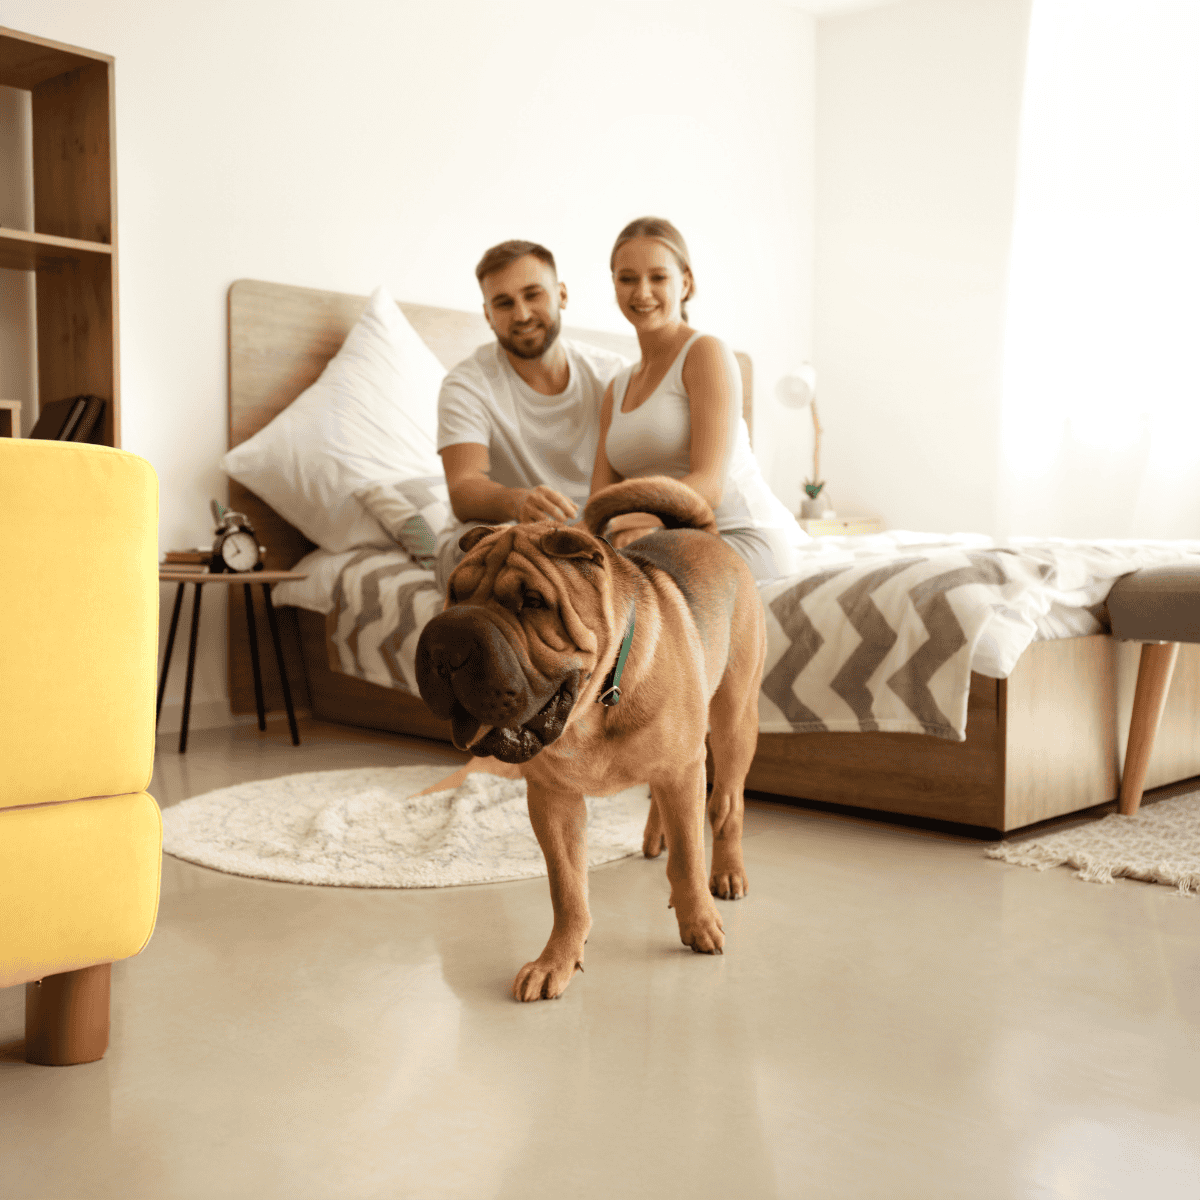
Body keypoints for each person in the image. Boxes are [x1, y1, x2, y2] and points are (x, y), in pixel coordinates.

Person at [591, 216, 804, 582]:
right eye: (627, 278)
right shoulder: (617, 387)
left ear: (685, 283)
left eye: (658, 277)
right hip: (662, 540)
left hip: (739, 537)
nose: (642, 292)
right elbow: (599, 503)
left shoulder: (705, 352)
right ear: (614, 284)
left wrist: (635, 520)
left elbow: (709, 486)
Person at [435, 239, 628, 591]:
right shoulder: (466, 385)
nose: (521, 314)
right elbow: (463, 488)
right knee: (492, 560)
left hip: (599, 534)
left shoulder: (613, 375)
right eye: (504, 303)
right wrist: (518, 501)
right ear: (488, 315)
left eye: (533, 295)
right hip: (509, 534)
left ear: (562, 295)